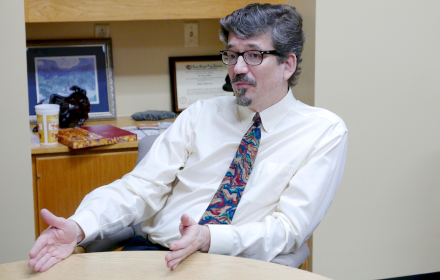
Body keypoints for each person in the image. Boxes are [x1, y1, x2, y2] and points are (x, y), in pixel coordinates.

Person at [29, 3, 348, 272]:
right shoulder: (199, 114)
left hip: (239, 267)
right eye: (232, 55)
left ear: (287, 64)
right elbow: (140, 187)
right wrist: (79, 225)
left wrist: (209, 238)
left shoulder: (323, 132)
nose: (237, 69)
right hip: (155, 256)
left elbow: (289, 229)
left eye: (253, 56)